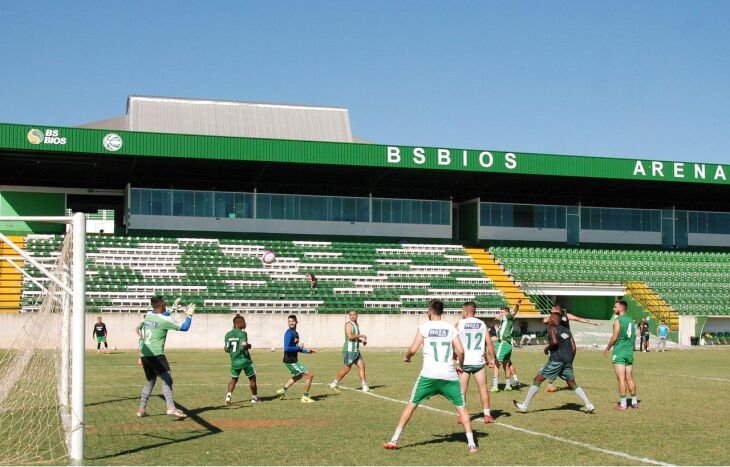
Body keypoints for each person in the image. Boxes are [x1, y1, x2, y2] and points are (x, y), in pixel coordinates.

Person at [384, 299, 478, 453]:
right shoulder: (450, 328)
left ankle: (394, 439)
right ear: (442, 312)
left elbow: (413, 349)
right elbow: (461, 351)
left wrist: (407, 357)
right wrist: (460, 365)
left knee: (412, 405)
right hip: (448, 375)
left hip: (429, 376)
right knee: (462, 409)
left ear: (429, 311)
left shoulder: (424, 327)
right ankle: (472, 444)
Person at [513, 310, 595, 414]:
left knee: (537, 379)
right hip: (567, 360)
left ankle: (524, 406)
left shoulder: (551, 328)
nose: (548, 319)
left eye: (550, 317)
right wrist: (569, 361)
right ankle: (589, 405)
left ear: (553, 320)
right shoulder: (567, 330)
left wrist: (546, 348)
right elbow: (574, 348)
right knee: (572, 383)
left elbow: (555, 342)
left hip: (556, 360)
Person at [136, 295, 195, 419]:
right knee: (167, 379)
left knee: (150, 381)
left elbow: (161, 316)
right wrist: (189, 315)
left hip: (145, 355)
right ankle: (170, 408)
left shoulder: (148, 315)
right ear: (161, 305)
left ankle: (141, 409)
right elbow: (185, 327)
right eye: (164, 303)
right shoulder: (164, 320)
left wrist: (172, 310)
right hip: (156, 355)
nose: (165, 304)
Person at [544, 304, 600, 392]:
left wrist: (592, 322)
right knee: (555, 359)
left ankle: (569, 379)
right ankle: (550, 383)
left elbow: (578, 319)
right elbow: (544, 320)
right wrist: (550, 316)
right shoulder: (552, 317)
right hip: (557, 340)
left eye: (552, 309)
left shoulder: (567, 315)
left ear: (557, 309)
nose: (551, 310)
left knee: (573, 351)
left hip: (567, 338)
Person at [456, 301, 496, 424]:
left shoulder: (459, 324)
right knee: (483, 389)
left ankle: (461, 415)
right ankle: (487, 415)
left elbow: (453, 342)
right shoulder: (482, 324)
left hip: (464, 362)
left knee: (462, 390)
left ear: (466, 312)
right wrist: (493, 358)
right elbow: (489, 342)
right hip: (479, 362)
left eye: (463, 311)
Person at [603, 300, 639, 410]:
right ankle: (634, 402)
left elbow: (614, 337)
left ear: (621, 308)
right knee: (630, 378)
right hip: (629, 352)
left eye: (615, 307)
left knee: (621, 379)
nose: (614, 309)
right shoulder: (632, 321)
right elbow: (634, 336)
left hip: (619, 351)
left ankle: (623, 404)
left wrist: (607, 348)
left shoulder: (618, 320)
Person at [276, 315, 316, 403]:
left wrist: (307, 351)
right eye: (289, 321)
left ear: (296, 322)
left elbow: (296, 348)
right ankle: (305, 397)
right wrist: (298, 347)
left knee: (299, 376)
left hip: (293, 360)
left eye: (293, 321)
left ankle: (282, 391)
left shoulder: (295, 333)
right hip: (290, 361)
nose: (291, 323)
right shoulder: (288, 333)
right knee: (309, 376)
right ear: (287, 323)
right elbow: (286, 348)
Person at [329, 310, 369, 392]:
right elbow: (350, 336)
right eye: (350, 315)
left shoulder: (356, 325)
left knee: (362, 366)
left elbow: (354, 338)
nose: (352, 316)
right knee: (347, 368)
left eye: (354, 314)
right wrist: (361, 335)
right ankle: (334, 384)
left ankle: (364, 385)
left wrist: (362, 341)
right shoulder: (348, 324)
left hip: (355, 350)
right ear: (349, 316)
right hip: (349, 350)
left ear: (357, 315)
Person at [225, 315, 259, 405]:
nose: (245, 323)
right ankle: (254, 398)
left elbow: (226, 349)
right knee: (252, 378)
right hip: (245, 360)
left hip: (234, 361)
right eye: (243, 322)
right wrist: (249, 346)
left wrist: (233, 351)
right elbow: (243, 346)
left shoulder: (228, 334)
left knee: (234, 379)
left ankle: (228, 396)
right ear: (238, 323)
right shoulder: (243, 333)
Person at [491, 300, 521, 392]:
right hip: (507, 344)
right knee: (507, 365)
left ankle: (495, 386)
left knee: (496, 364)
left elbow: (515, 311)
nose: (500, 313)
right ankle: (508, 386)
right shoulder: (503, 322)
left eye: (502, 312)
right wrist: (496, 327)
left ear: (506, 313)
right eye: (500, 312)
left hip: (503, 343)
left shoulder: (508, 317)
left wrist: (516, 305)